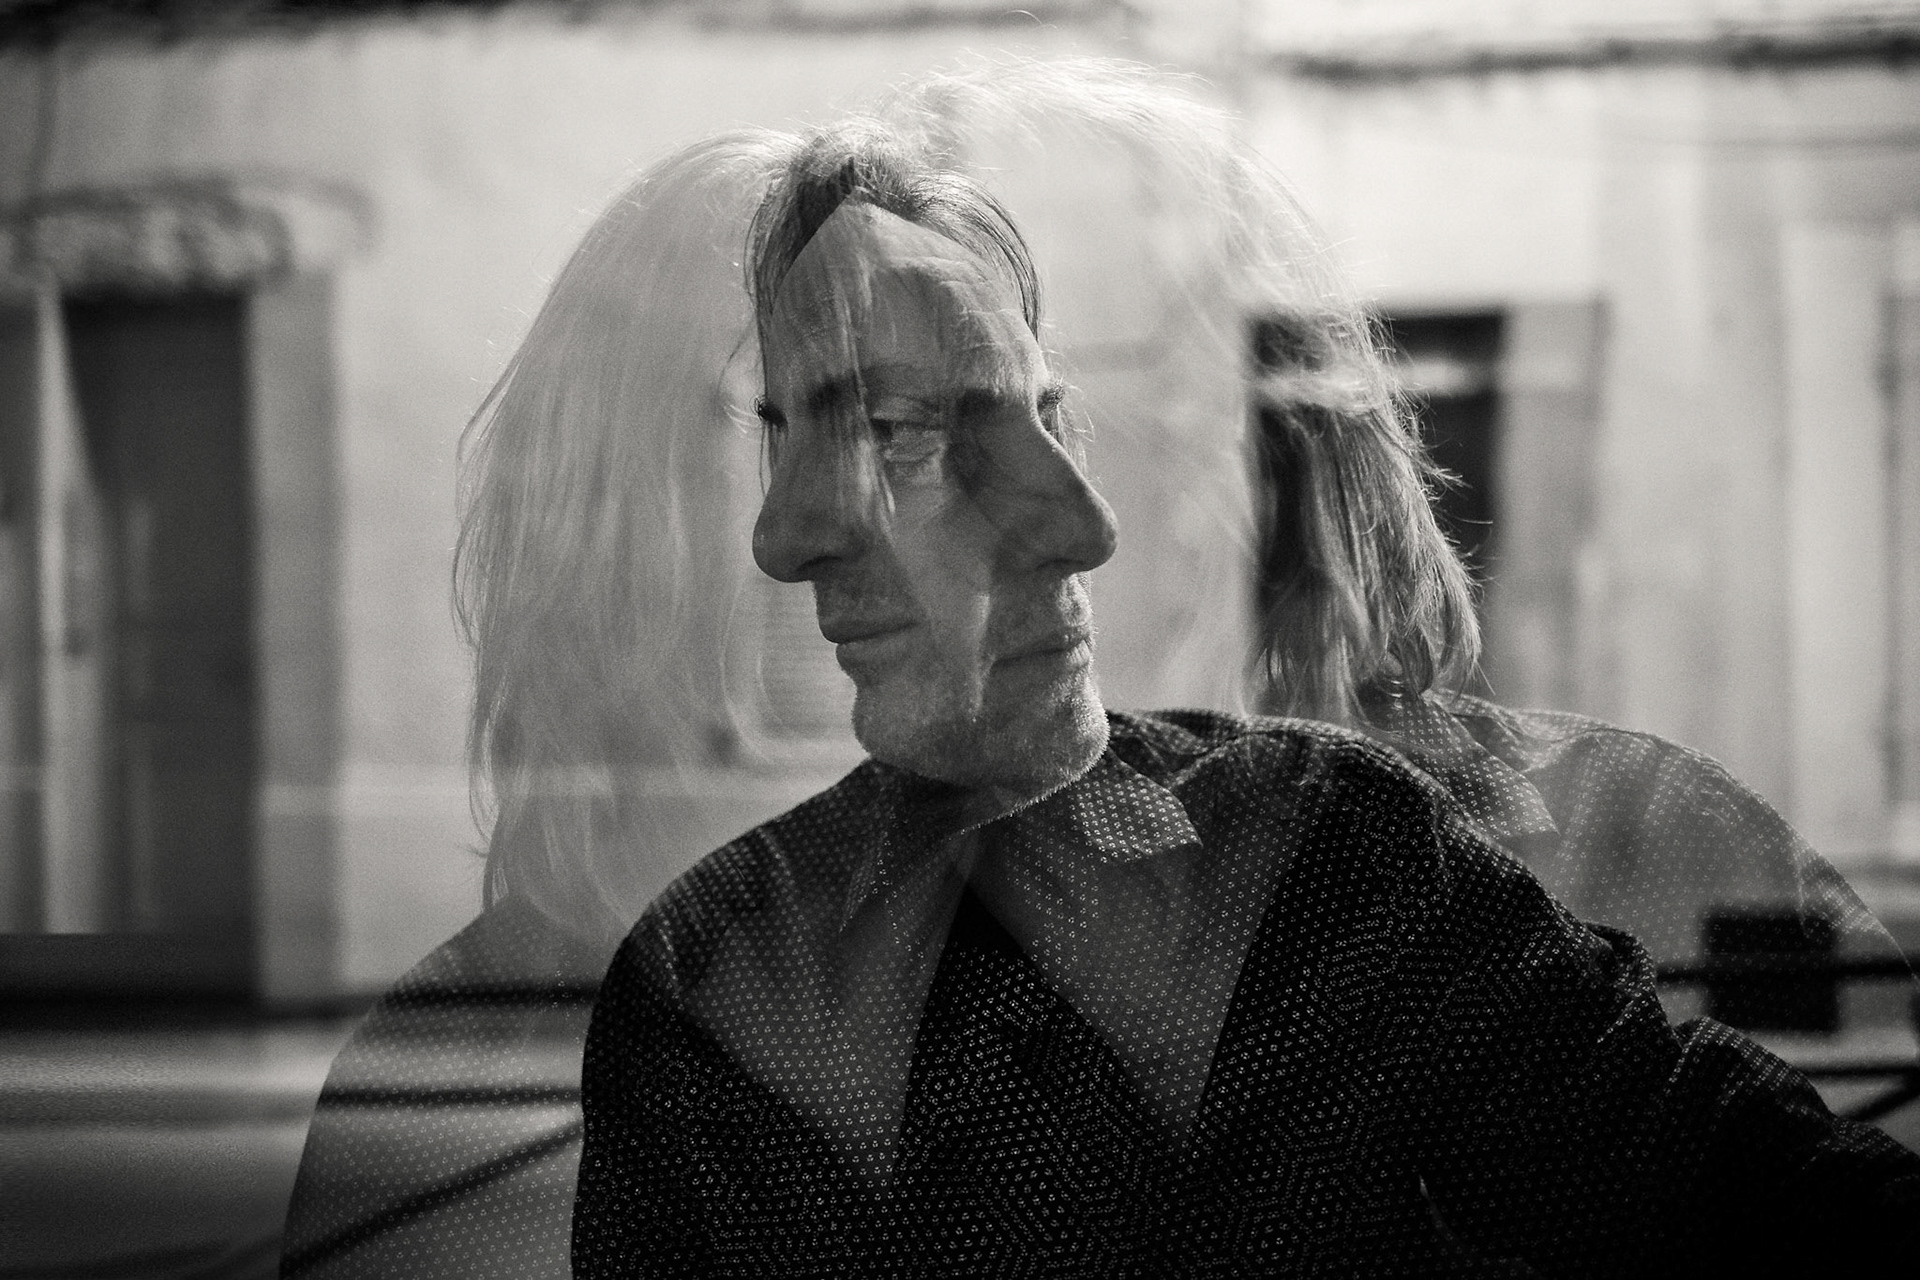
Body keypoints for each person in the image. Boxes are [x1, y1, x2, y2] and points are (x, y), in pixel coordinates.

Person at [286, 60, 1916, 1277]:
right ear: (617, 542)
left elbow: (1709, 1167)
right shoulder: (612, 1023)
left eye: (1022, 420)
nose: (1066, 523)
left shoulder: (1336, 847)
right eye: (874, 433)